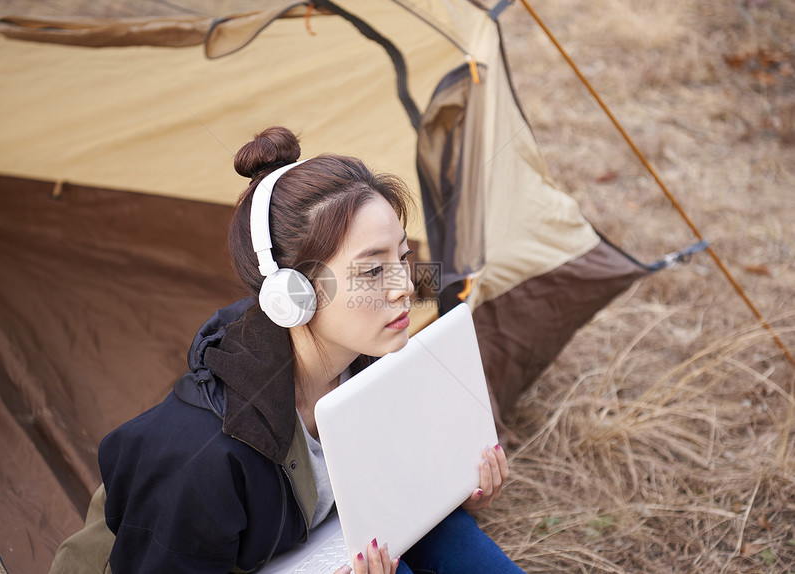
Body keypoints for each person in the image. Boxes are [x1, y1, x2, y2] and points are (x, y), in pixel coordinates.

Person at [77, 127, 526, 573]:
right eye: (372, 271)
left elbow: (391, 483)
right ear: (293, 294)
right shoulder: (200, 455)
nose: (405, 288)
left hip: (315, 545)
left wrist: (452, 488)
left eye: (403, 259)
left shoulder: (370, 360)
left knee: (450, 533)